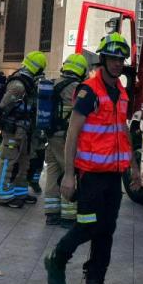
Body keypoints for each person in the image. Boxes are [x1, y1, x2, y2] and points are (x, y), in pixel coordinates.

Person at [44, 33, 140, 284]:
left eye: (121, 59)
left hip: (113, 176)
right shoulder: (89, 91)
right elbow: (73, 133)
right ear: (103, 59)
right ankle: (58, 258)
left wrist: (133, 166)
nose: (118, 63)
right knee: (87, 226)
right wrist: (69, 174)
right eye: (113, 58)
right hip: (90, 176)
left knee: (106, 232)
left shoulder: (121, 92)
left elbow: (122, 130)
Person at [0, 51, 48, 208]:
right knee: (9, 161)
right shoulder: (19, 84)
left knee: (24, 162)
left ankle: (20, 193)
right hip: (13, 129)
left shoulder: (29, 82)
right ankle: (4, 196)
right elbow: (3, 105)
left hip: (25, 130)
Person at [42, 53, 89, 227]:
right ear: (82, 70)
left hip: (51, 136)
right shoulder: (77, 88)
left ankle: (51, 213)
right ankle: (68, 216)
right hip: (66, 138)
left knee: (53, 171)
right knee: (69, 173)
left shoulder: (53, 83)